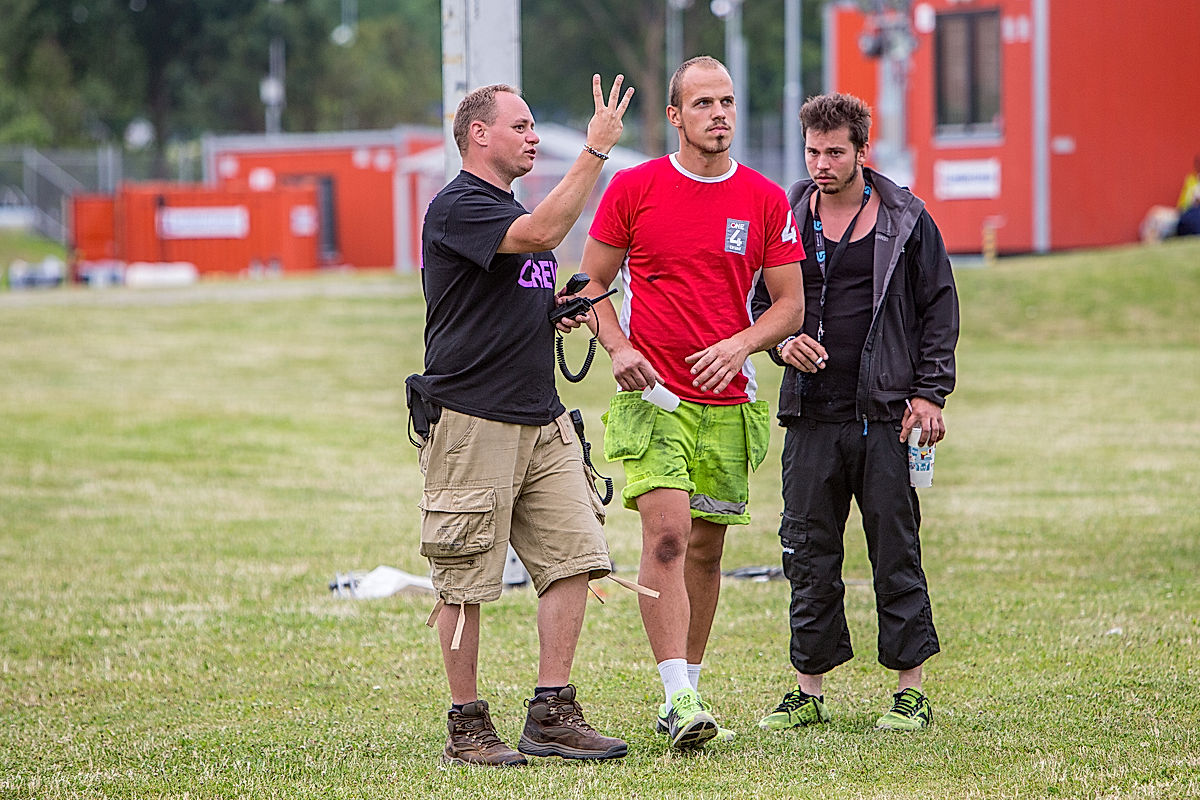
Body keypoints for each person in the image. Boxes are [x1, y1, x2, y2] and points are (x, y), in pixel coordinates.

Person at [577, 55, 806, 750]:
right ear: (675, 117)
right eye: (703, 103)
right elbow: (589, 286)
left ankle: (690, 690)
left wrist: (741, 345)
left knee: (705, 549)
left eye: (728, 101)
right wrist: (618, 349)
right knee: (668, 536)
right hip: (654, 397)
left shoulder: (766, 199)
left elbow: (790, 307)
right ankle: (678, 695)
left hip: (731, 401)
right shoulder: (634, 187)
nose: (720, 115)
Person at [406, 75, 634, 767]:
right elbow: (542, 231)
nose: (535, 137)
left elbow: (517, 277)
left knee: (575, 558)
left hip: (542, 420)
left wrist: (552, 313)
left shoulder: (504, 209)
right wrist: (593, 152)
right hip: (473, 419)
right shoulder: (460, 206)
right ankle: (467, 727)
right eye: (522, 126)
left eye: (536, 128)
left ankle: (552, 713)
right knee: (465, 578)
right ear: (480, 134)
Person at [754, 92, 958, 732]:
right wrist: (782, 344)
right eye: (813, 151)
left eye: (834, 151)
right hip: (810, 414)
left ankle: (911, 691)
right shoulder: (785, 216)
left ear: (860, 150)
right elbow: (755, 300)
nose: (821, 163)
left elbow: (939, 309)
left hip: (886, 414)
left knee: (895, 549)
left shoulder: (906, 217)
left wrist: (930, 393)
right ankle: (807, 693)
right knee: (808, 552)